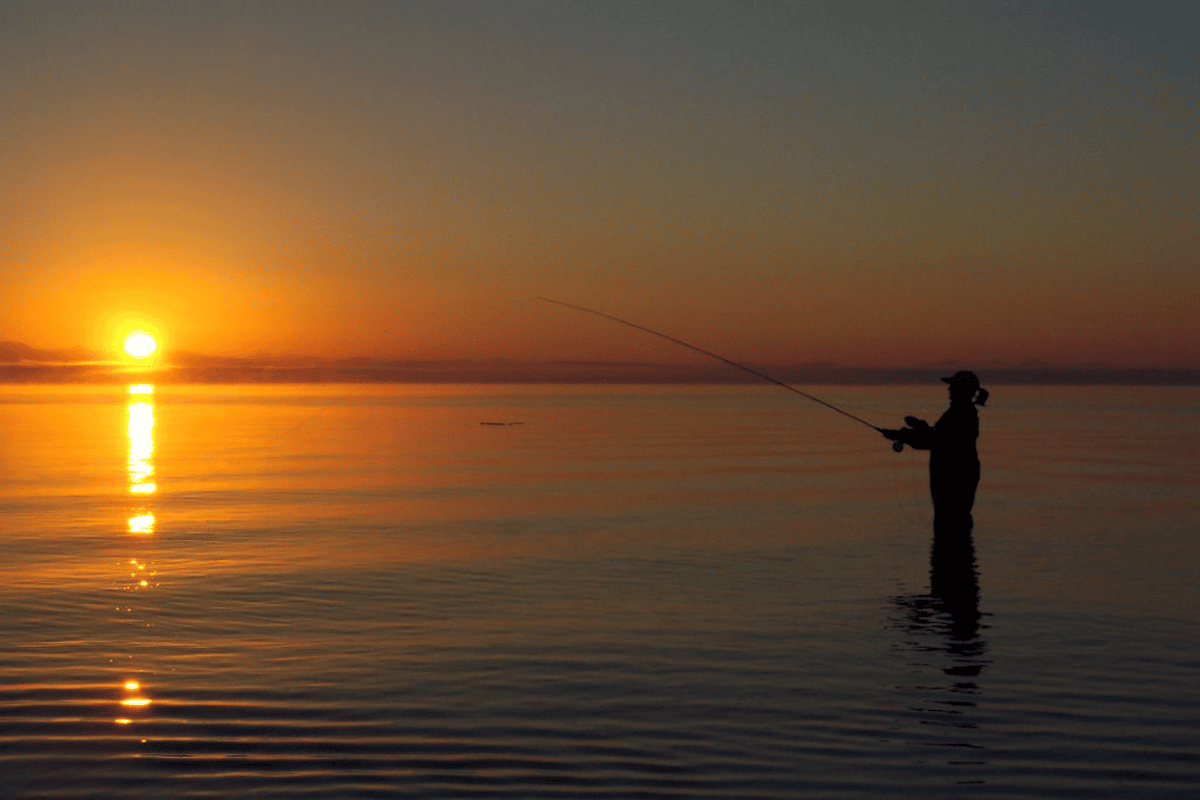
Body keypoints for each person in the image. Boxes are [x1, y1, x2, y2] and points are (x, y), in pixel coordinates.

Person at [882, 371, 989, 528]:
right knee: (954, 521)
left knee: (951, 522)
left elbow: (938, 441)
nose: (949, 389)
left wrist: (903, 435)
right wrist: (919, 427)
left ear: (963, 389)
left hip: (954, 478)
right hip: (957, 475)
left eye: (953, 386)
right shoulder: (960, 412)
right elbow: (939, 436)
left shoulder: (962, 414)